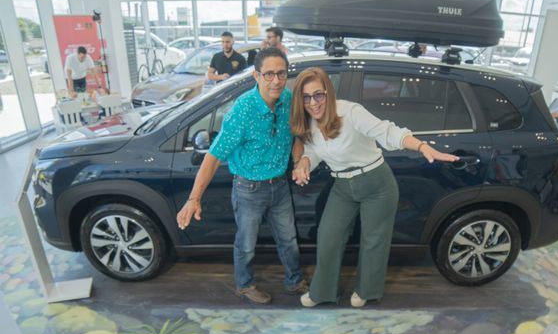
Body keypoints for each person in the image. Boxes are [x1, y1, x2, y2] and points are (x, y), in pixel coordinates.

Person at [290, 67, 459, 308]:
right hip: (342, 185)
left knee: (373, 241)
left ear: (328, 92)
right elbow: (314, 150)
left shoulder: (350, 112)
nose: (313, 103)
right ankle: (322, 292)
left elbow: (387, 132)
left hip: (376, 183)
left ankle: (366, 291)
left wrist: (422, 147)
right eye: (306, 97)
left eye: (318, 95)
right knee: (328, 237)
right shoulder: (309, 121)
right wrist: (305, 161)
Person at [176, 47, 307, 304]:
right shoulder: (242, 111)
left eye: (281, 73)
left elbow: (297, 135)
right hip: (249, 190)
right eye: (269, 74)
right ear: (256, 76)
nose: (276, 80)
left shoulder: (289, 100)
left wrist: (299, 159)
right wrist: (194, 198)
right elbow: (213, 156)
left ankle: (294, 281)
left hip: (280, 186)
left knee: (289, 239)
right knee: (246, 243)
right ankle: (244, 285)